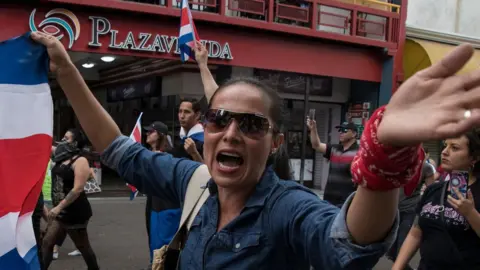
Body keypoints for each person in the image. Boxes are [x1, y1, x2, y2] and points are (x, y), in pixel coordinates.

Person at [32, 31, 480, 269]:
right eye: (218, 119)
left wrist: (385, 156)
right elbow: (116, 149)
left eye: (250, 125)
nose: (229, 133)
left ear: (275, 142)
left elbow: (345, 245)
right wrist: (68, 72)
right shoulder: (194, 181)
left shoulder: (286, 208)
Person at [393, 130, 480, 270]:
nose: (445, 152)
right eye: (445, 145)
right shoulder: (434, 189)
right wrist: (397, 267)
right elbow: (416, 233)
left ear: (474, 158)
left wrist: (470, 213)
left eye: (455, 148)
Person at [41, 128, 99, 270]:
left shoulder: (81, 160)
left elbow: (78, 189)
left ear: (75, 142)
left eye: (67, 138)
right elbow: (44, 146)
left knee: (83, 247)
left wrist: (58, 207)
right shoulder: (61, 155)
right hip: (60, 213)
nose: (62, 140)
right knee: (47, 243)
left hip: (75, 212)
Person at [386, 160, 436, 269]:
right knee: (390, 252)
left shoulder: (425, 167)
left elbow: (432, 192)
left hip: (410, 211)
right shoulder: (395, 164)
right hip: (393, 211)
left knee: (401, 251)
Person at [143, 121, 179, 268]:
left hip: (166, 208)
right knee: (155, 245)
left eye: (151, 131)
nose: (147, 133)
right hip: (155, 205)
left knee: (163, 249)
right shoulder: (151, 155)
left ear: (159, 135)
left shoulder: (168, 156)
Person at [307, 120, 359, 206]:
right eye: (340, 130)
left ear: (354, 134)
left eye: (345, 130)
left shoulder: (359, 153)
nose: (341, 133)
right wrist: (313, 129)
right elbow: (316, 145)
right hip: (328, 199)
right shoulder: (334, 149)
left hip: (347, 202)